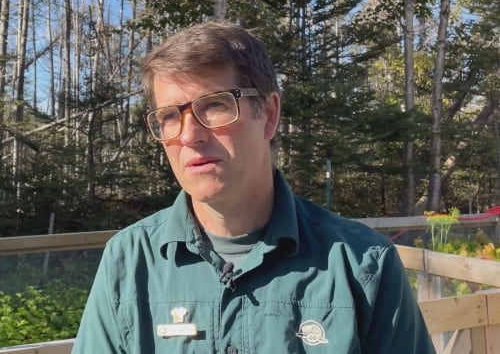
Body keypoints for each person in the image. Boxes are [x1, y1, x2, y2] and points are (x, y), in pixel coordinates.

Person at [72, 21, 435, 353]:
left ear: (270, 114)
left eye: (214, 105)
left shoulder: (362, 266)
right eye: (169, 116)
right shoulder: (129, 262)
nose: (189, 134)